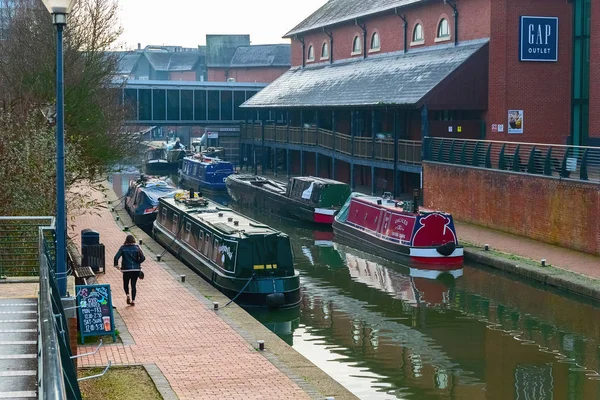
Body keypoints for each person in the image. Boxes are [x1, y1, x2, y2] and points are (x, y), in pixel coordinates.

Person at [113, 234, 145, 306]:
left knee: (125, 283)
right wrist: (138, 263)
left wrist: (116, 265)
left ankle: (127, 295)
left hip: (126, 269)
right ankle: (133, 300)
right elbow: (143, 258)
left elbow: (116, 257)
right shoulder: (137, 247)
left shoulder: (123, 248)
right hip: (136, 270)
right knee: (133, 285)